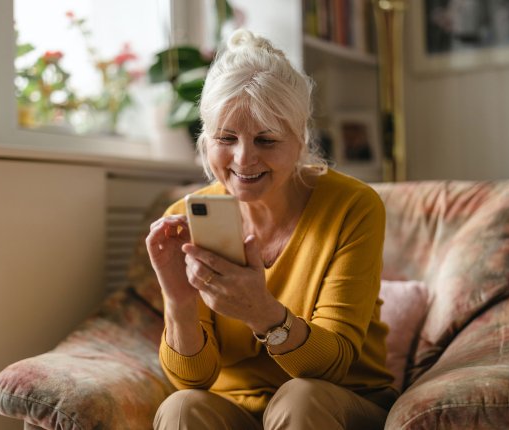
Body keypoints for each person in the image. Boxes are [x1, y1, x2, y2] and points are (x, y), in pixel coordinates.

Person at [146, 28, 397, 430]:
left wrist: (262, 313)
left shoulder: (352, 207)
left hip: (338, 402)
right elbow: (192, 380)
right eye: (225, 138)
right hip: (237, 410)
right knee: (181, 408)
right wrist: (178, 302)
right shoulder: (187, 215)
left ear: (299, 141)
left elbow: (331, 366)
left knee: (300, 397)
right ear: (205, 140)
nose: (244, 159)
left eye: (266, 140)